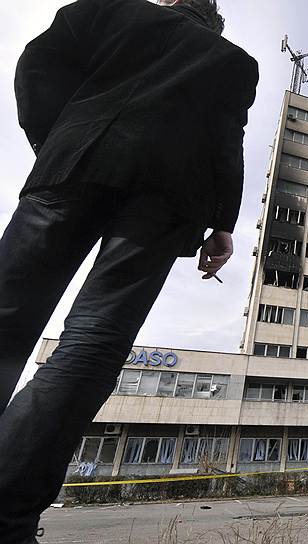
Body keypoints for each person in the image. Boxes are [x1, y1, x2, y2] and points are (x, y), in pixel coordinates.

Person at [0, 1, 258, 541]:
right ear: (214, 23)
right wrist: (222, 226)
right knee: (93, 342)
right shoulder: (234, 62)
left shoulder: (108, 10)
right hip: (167, 201)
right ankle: (8, 515)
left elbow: (39, 63)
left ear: (170, 3)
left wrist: (54, 139)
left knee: (7, 318)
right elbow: (225, 145)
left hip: (72, 165)